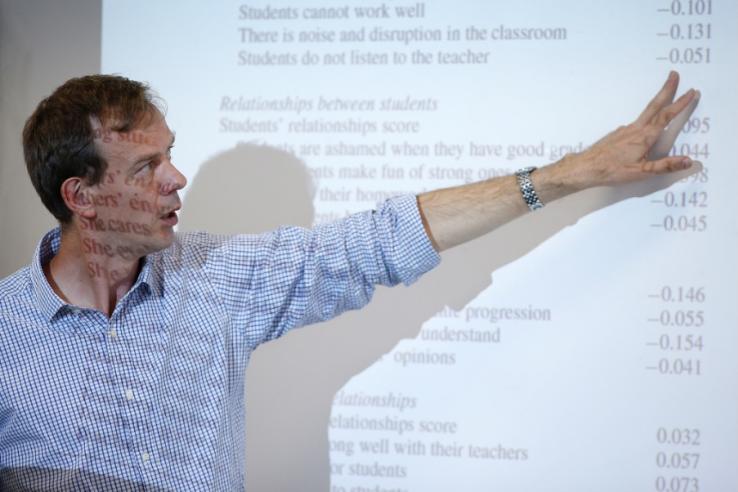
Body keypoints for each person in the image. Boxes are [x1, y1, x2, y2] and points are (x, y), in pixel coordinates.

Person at [0, 72, 698, 491]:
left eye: (171, 156)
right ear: (82, 196)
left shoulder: (212, 279)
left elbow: (376, 242)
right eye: (146, 167)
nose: (176, 178)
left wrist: (569, 174)